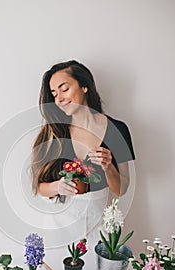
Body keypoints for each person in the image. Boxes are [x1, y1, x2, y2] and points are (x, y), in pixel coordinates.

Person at [31, 60, 135, 247]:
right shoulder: (53, 131)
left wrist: (107, 166)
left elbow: (121, 189)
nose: (59, 98)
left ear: (84, 86)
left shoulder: (117, 130)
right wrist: (58, 187)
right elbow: (38, 187)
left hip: (99, 226)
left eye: (64, 89)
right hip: (59, 227)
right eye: (54, 94)